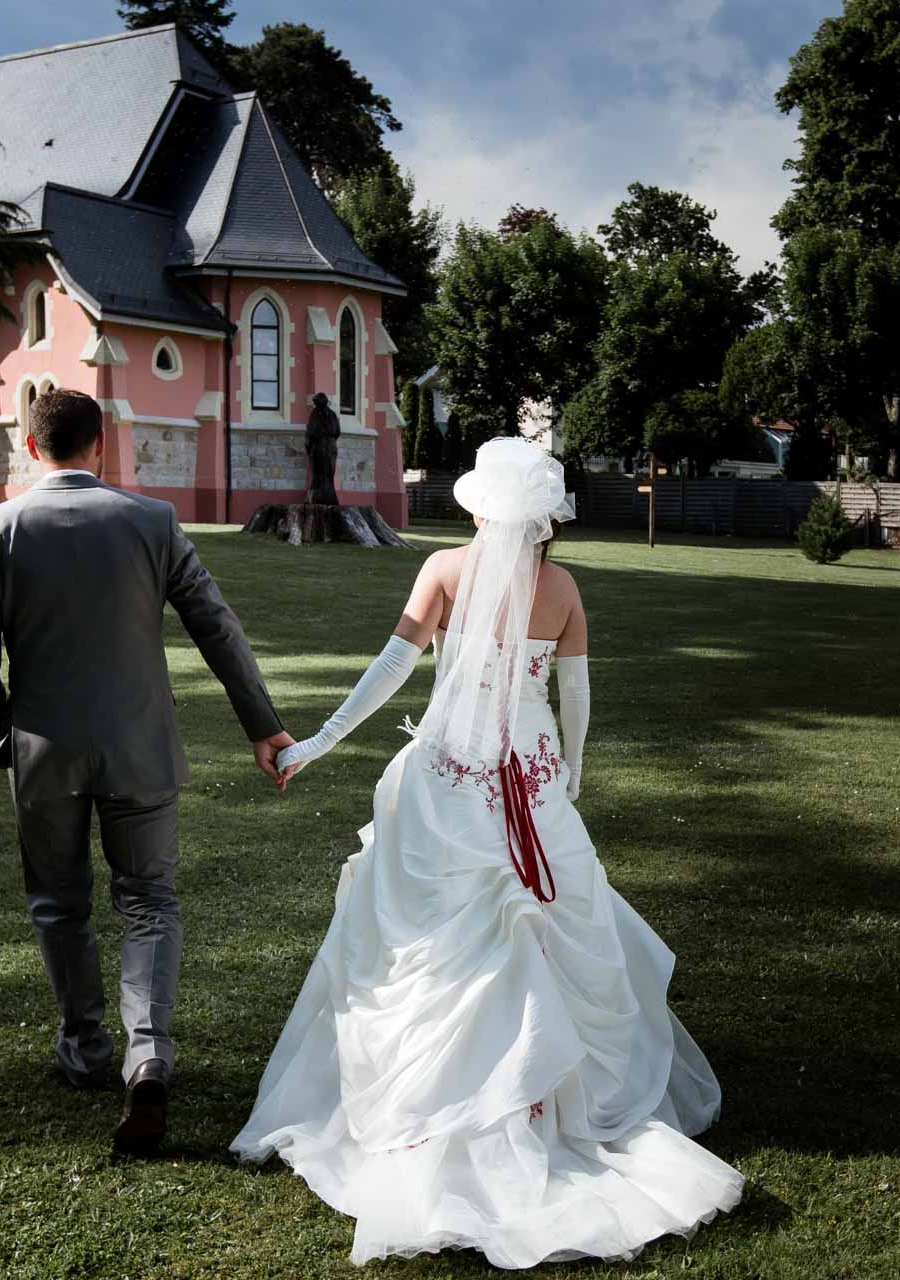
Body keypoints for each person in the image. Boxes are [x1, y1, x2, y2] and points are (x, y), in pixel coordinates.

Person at [233, 438, 742, 1268]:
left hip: (450, 780)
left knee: (421, 939)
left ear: (479, 506)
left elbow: (393, 668)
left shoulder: (442, 569)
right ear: (545, 518)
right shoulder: (563, 587)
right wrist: (569, 771)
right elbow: (573, 693)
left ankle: (447, 1100)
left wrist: (318, 741)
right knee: (544, 920)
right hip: (530, 782)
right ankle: (548, 1093)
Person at [0, 388, 296, 1155]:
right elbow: (216, 625)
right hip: (142, 749)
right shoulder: (152, 521)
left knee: (58, 906)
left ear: (33, 448)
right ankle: (148, 1060)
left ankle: (87, 1049)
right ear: (100, 445)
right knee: (150, 903)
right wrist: (263, 726)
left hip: (44, 753)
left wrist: (3, 737)